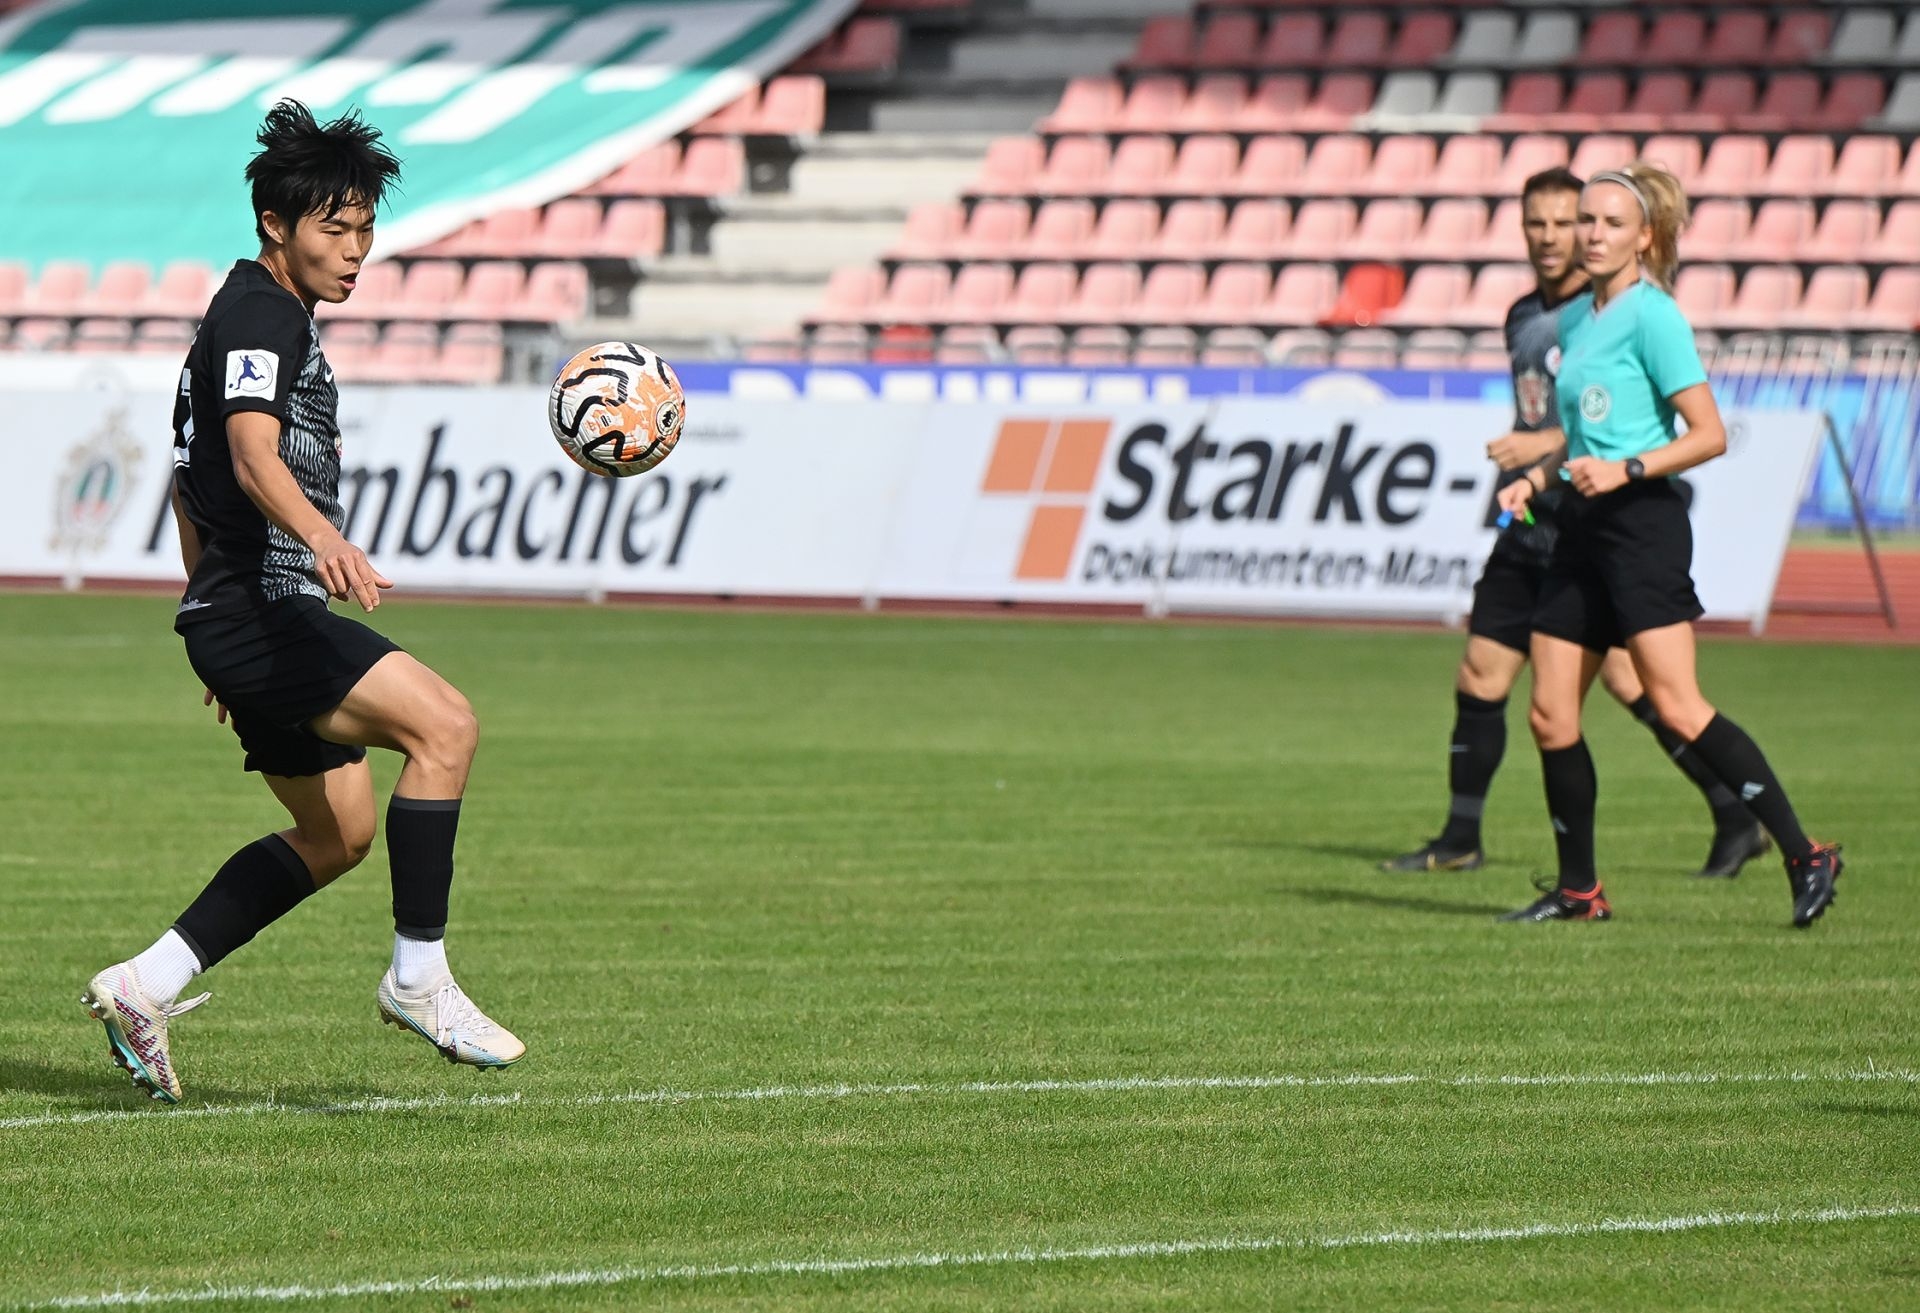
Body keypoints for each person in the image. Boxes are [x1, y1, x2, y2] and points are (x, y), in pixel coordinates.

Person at [81, 101, 524, 1103]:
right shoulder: (261, 317)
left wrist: (206, 618)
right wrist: (320, 542)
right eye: (336, 227)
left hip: (237, 616)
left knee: (339, 833)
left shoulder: (249, 312)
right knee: (446, 727)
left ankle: (144, 984)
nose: (356, 250)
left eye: (365, 228)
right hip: (267, 609)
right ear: (274, 223)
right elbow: (248, 455)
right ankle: (419, 979)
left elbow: (189, 481)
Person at [1382, 168, 1766, 879]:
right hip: (1533, 519)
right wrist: (1531, 467)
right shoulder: (1526, 314)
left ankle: (1735, 811)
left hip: (1590, 525)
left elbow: (1622, 423)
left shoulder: (1613, 314)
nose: (1556, 236)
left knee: (1639, 688)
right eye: (1541, 223)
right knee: (1482, 671)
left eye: (1571, 221)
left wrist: (1541, 449)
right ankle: (1461, 836)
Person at [1495, 161, 1843, 926]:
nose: (1591, 234)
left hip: (1641, 526)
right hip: (1581, 525)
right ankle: (1580, 891)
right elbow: (1583, 436)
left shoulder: (1655, 318)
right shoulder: (1579, 318)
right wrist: (1538, 478)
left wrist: (1627, 468)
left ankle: (1804, 851)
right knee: (1550, 715)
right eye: (1586, 221)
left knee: (1678, 706)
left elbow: (1709, 433)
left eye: (1610, 224)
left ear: (1645, 238)